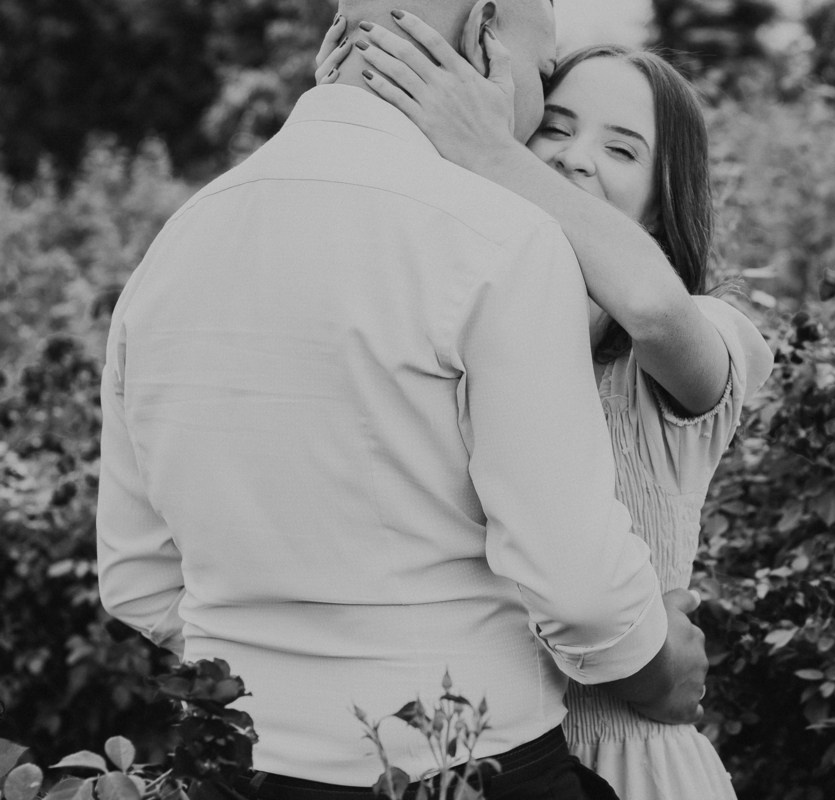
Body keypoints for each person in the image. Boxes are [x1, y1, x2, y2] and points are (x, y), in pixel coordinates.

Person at [96, 2, 713, 799]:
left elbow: (137, 577)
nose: (538, 94)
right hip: (463, 762)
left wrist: (291, 672)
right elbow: (580, 586)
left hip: (241, 773)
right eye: (543, 65)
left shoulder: (173, 244)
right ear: (485, 32)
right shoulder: (500, 240)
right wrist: (652, 671)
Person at [314, 12, 774, 799]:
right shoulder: (460, 325)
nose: (574, 157)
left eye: (621, 149)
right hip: (473, 759)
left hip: (633, 766)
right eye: (553, 128)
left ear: (662, 207)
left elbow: (655, 309)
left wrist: (492, 153)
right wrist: (352, 103)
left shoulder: (713, 336)